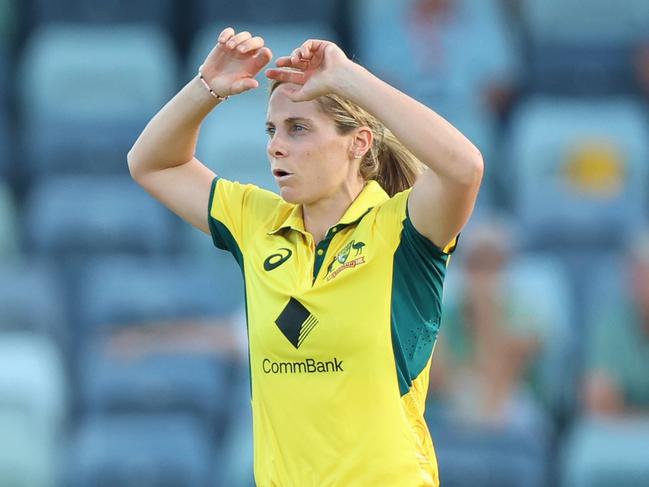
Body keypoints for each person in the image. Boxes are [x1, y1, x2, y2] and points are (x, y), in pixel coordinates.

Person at [128, 27, 483, 486]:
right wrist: (206, 87)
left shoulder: (404, 230)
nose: (276, 144)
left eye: (298, 129)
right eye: (272, 129)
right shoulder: (255, 223)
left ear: (359, 143)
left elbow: (465, 167)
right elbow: (151, 163)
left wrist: (350, 78)